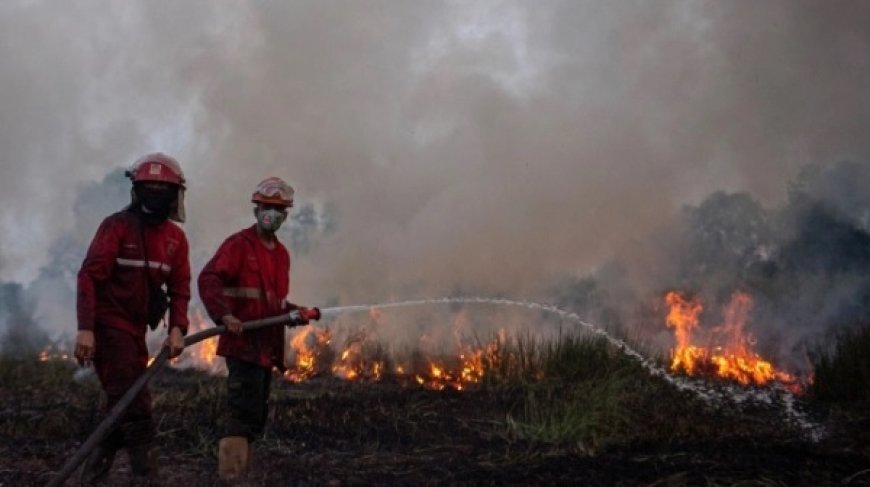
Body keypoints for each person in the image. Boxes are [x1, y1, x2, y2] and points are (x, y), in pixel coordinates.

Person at [75, 153, 190, 485]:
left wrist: (178, 327)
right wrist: (85, 329)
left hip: (136, 332)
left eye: (162, 187)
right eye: (148, 186)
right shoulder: (116, 227)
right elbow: (89, 278)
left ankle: (90, 479)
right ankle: (147, 477)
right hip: (109, 327)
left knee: (118, 406)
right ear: (136, 190)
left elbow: (180, 288)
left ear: (175, 194)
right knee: (136, 406)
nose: (155, 192)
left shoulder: (174, 240)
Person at [198, 176, 315, 481]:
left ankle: (242, 477)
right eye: (266, 206)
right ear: (255, 209)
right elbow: (208, 279)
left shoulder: (281, 255)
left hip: (265, 350)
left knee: (254, 419)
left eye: (278, 209)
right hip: (242, 346)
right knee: (240, 417)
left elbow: (272, 304)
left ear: (286, 215)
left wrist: (294, 312)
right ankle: (230, 478)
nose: (271, 213)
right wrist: (225, 316)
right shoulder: (238, 245)